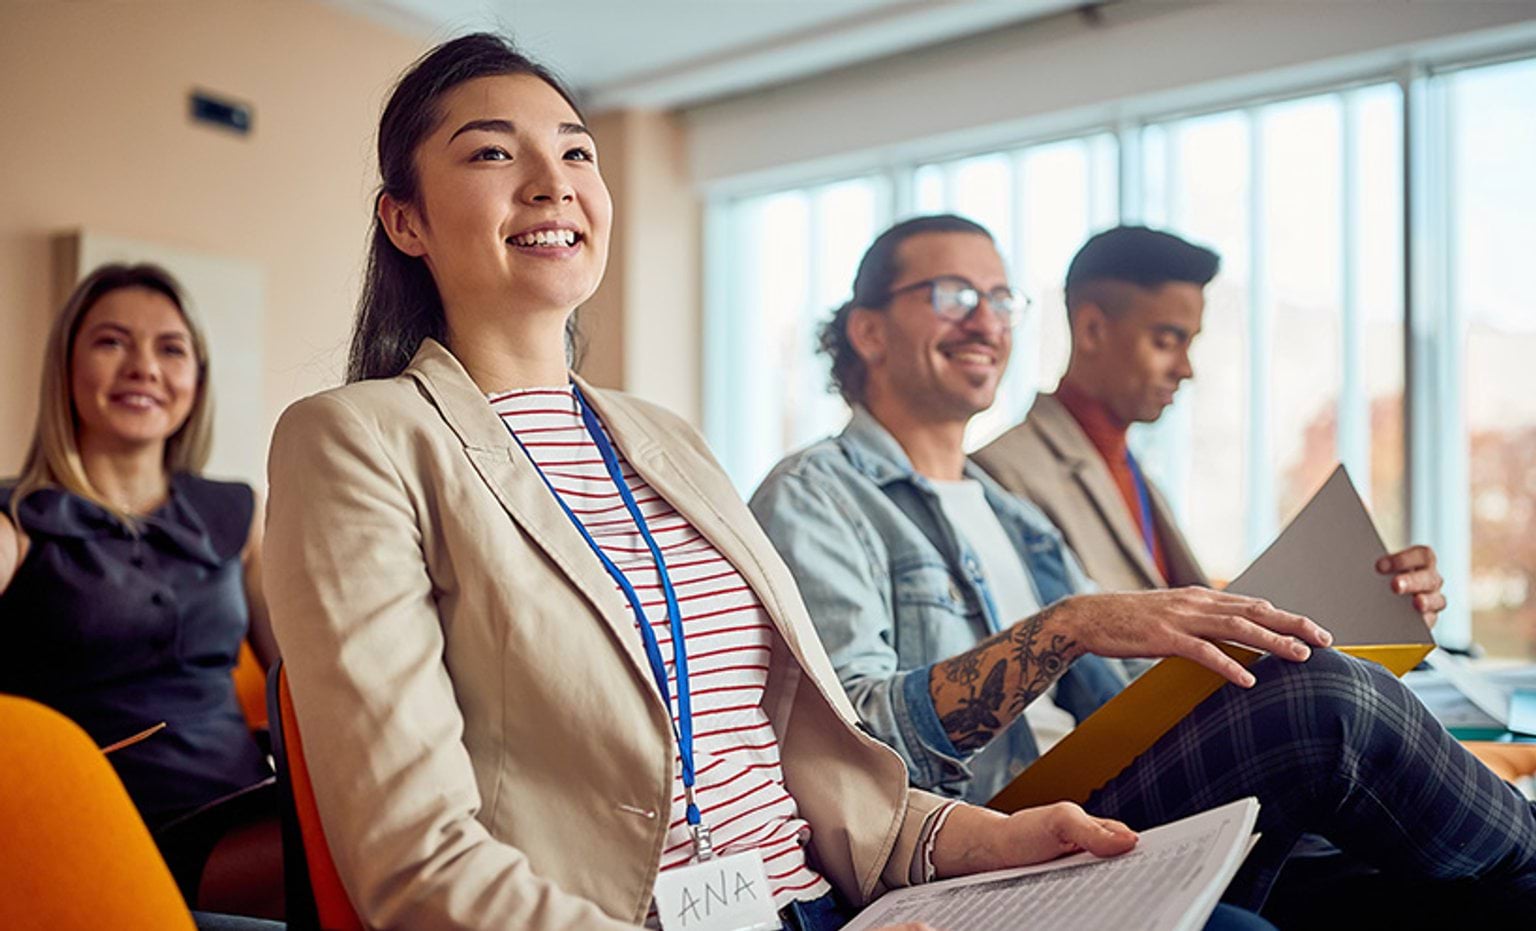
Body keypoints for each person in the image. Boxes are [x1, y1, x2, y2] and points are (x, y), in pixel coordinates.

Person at [258, 34, 1282, 931]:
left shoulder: (664, 439)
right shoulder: (356, 439)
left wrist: (980, 839)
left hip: (836, 902)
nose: (553, 180)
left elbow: (809, 765)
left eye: (576, 150)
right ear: (406, 221)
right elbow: (417, 863)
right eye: (493, 152)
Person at [747, 214, 1536, 917]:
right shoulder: (814, 496)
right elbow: (851, 750)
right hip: (985, 841)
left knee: (1381, 844)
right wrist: (1065, 629)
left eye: (1002, 297)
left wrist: (1341, 615)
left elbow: (1135, 702)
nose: (986, 319)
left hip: (1089, 792)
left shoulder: (1012, 517)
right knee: (1324, 703)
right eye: (953, 294)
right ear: (869, 331)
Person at [972, 224, 1444, 615]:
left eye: (1189, 343)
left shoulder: (1134, 476)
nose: (1186, 368)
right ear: (1092, 329)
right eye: (1166, 341)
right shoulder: (1001, 474)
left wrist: (1368, 602)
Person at [0, 263, 282, 917]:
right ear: (65, 368)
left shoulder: (238, 512)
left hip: (241, 812)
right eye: (110, 341)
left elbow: (306, 679)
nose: (144, 367)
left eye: (170, 348)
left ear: (197, 379)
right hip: (95, 831)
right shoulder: (15, 516)